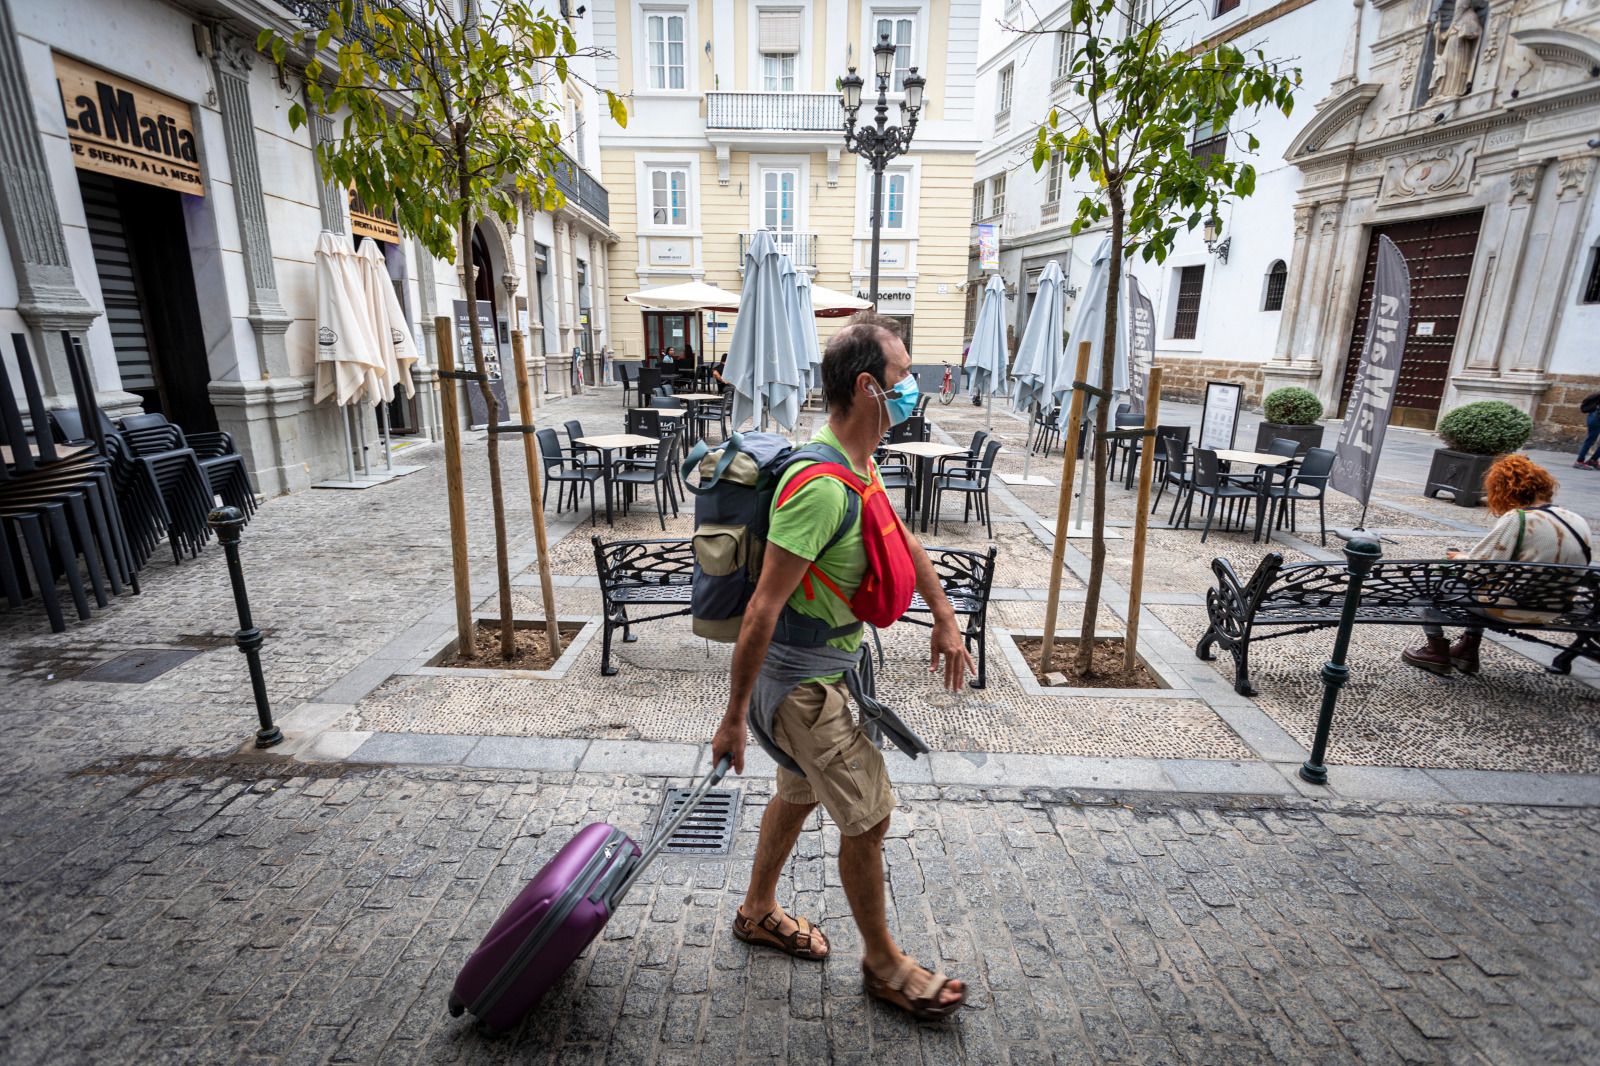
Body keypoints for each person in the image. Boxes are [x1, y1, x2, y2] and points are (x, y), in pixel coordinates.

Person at [710, 315, 973, 1021]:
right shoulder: (820, 486)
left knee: (798, 791)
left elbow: (900, 536)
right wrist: (734, 718)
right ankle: (885, 965)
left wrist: (945, 618)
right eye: (904, 377)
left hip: (825, 675)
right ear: (868, 387)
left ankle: (757, 910)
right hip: (800, 686)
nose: (913, 388)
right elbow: (763, 609)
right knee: (869, 819)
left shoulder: (860, 465)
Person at [1402, 455, 1592, 676]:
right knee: (1492, 585)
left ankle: (1435, 649)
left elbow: (1477, 570)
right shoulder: (1575, 519)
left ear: (1503, 489)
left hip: (1512, 609)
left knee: (1423, 583)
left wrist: (1459, 558)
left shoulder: (1519, 519)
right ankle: (1467, 649)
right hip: (1552, 609)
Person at [1575, 390, 1600, 470]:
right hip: (1596, 418)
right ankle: (1579, 461)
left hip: (1595, 417)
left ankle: (1593, 460)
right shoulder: (1596, 396)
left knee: (1590, 440)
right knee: (1590, 440)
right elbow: (1585, 407)